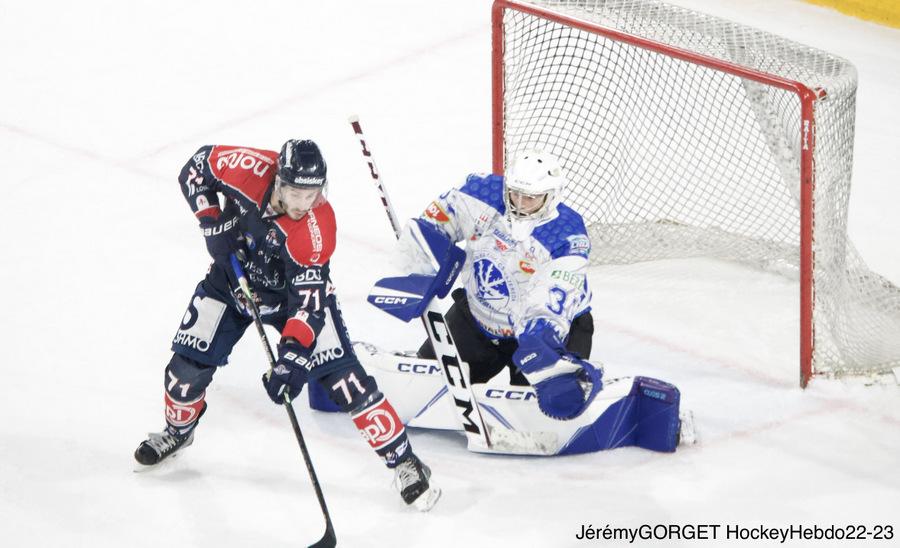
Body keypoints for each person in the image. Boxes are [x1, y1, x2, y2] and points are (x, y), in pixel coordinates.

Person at [134, 140, 439, 510]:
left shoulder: (316, 228)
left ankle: (405, 460)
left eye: (311, 194)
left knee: (347, 382)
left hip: (292, 302)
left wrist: (292, 359)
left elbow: (307, 307)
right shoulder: (248, 168)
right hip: (230, 283)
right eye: (295, 192)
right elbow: (196, 167)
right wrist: (211, 220)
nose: (301, 204)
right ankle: (178, 432)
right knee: (184, 373)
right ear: (278, 180)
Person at [396, 149, 599, 420]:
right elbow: (435, 221)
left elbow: (552, 294)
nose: (519, 203)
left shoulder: (566, 234)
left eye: (530, 198)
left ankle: (563, 379)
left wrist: (540, 338)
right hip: (479, 319)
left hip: (546, 332)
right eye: (515, 193)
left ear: (551, 196)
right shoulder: (481, 193)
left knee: (549, 410)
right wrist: (421, 264)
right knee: (423, 390)